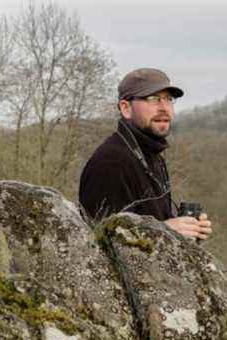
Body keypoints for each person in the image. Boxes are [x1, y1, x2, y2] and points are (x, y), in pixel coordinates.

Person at [79, 68, 212, 241]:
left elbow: (150, 222)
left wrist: (187, 229)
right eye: (153, 99)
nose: (164, 108)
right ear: (126, 108)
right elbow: (101, 244)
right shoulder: (111, 163)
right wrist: (164, 231)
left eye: (168, 99)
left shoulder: (152, 154)